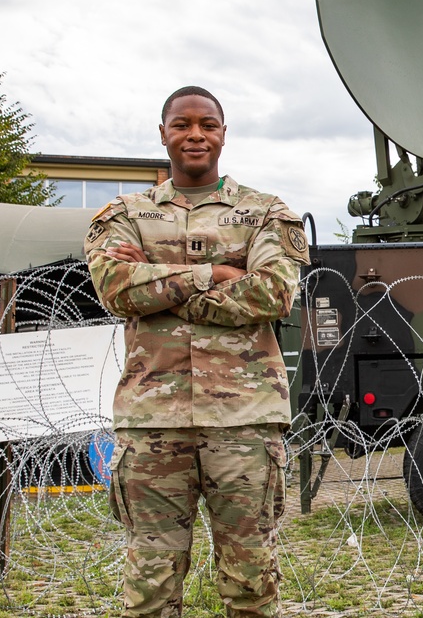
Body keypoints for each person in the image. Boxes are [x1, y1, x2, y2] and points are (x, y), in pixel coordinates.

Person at [84, 85, 310, 617]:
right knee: (150, 583)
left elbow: (272, 293)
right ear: (162, 132)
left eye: (207, 124)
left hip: (244, 422)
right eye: (182, 124)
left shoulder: (264, 211)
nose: (195, 135)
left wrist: (159, 284)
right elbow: (116, 289)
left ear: (223, 134)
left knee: (251, 578)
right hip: (153, 422)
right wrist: (214, 273)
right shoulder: (125, 214)